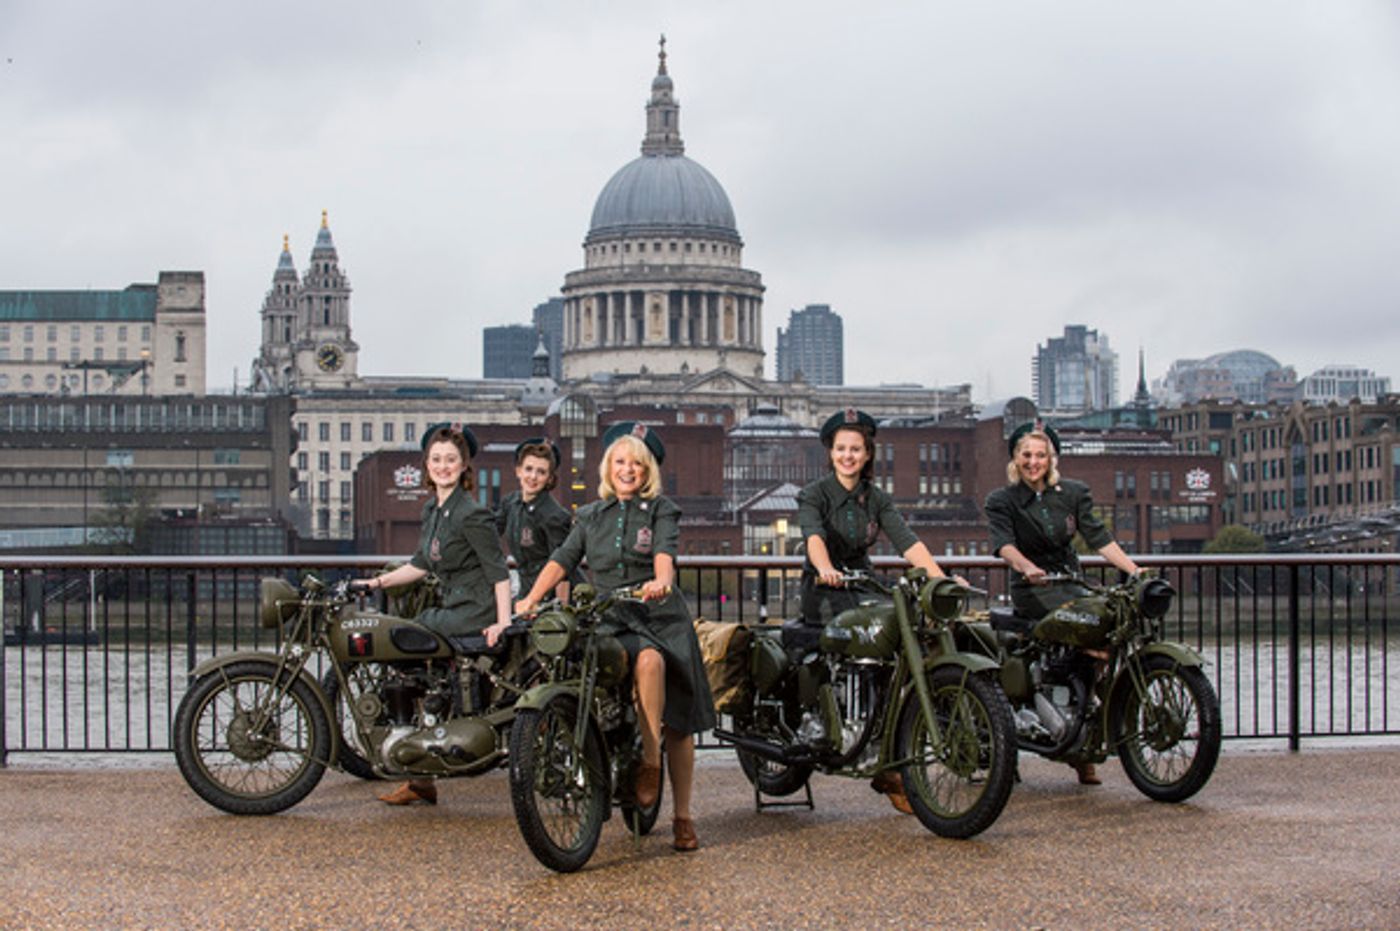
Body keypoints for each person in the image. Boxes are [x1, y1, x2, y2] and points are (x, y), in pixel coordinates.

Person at [515, 421, 715, 853]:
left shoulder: (661, 510)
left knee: (677, 717)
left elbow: (665, 556)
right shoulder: (590, 515)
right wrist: (529, 598)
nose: (628, 470)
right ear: (608, 467)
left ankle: (673, 800)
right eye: (620, 462)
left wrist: (661, 582)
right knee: (591, 669)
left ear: (648, 471)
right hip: (611, 619)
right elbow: (563, 558)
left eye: (636, 464)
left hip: (659, 619)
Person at [796, 407, 959, 815]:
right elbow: (813, 537)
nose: (847, 456)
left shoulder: (877, 499)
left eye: (855, 449)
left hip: (863, 585)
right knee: (845, 650)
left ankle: (886, 750)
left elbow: (907, 541)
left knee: (905, 639)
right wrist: (825, 568)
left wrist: (939, 578)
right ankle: (831, 721)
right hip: (825, 591)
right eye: (841, 449)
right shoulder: (815, 494)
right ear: (830, 452)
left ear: (867, 454)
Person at [358, 423, 513, 806]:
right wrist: (375, 583)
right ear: (427, 465)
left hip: (473, 611)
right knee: (409, 660)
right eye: (436, 459)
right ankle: (420, 766)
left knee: (401, 639)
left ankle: (419, 768)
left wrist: (503, 621)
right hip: (449, 607)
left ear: (463, 466)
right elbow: (421, 564)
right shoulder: (433, 510)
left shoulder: (472, 513)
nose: (443, 466)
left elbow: (498, 572)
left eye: (451, 460)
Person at [984, 420, 1142, 786]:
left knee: (1112, 621)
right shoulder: (1003, 500)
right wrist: (1026, 566)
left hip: (1071, 581)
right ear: (1015, 458)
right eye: (1026, 455)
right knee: (1089, 630)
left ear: (1052, 458)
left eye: (1041, 455)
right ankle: (1072, 738)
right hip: (1033, 587)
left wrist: (1134, 570)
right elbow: (1003, 544)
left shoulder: (1073, 493)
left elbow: (1099, 537)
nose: (1033, 462)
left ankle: (1084, 732)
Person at [495, 438, 574, 603]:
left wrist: (561, 611)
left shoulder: (555, 516)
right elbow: (490, 534)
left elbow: (563, 569)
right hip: (525, 590)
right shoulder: (510, 503)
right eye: (528, 469)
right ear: (518, 471)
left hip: (551, 596)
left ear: (550, 478)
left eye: (541, 472)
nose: (533, 477)